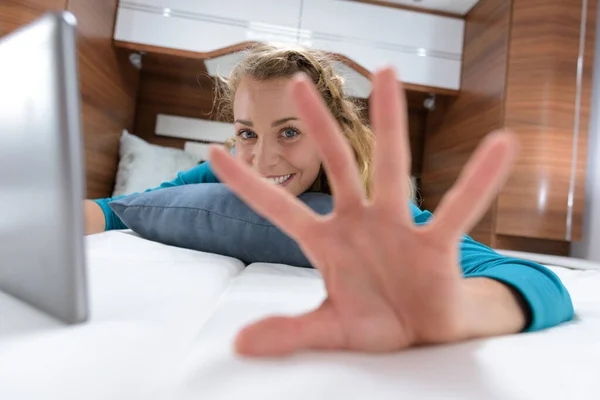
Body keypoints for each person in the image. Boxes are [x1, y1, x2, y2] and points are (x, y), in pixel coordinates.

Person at [85, 44, 573, 357]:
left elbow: (534, 281)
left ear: (329, 135)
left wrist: (458, 310)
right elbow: (116, 209)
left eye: (290, 132)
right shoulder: (224, 171)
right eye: (247, 133)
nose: (263, 158)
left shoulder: (371, 207)